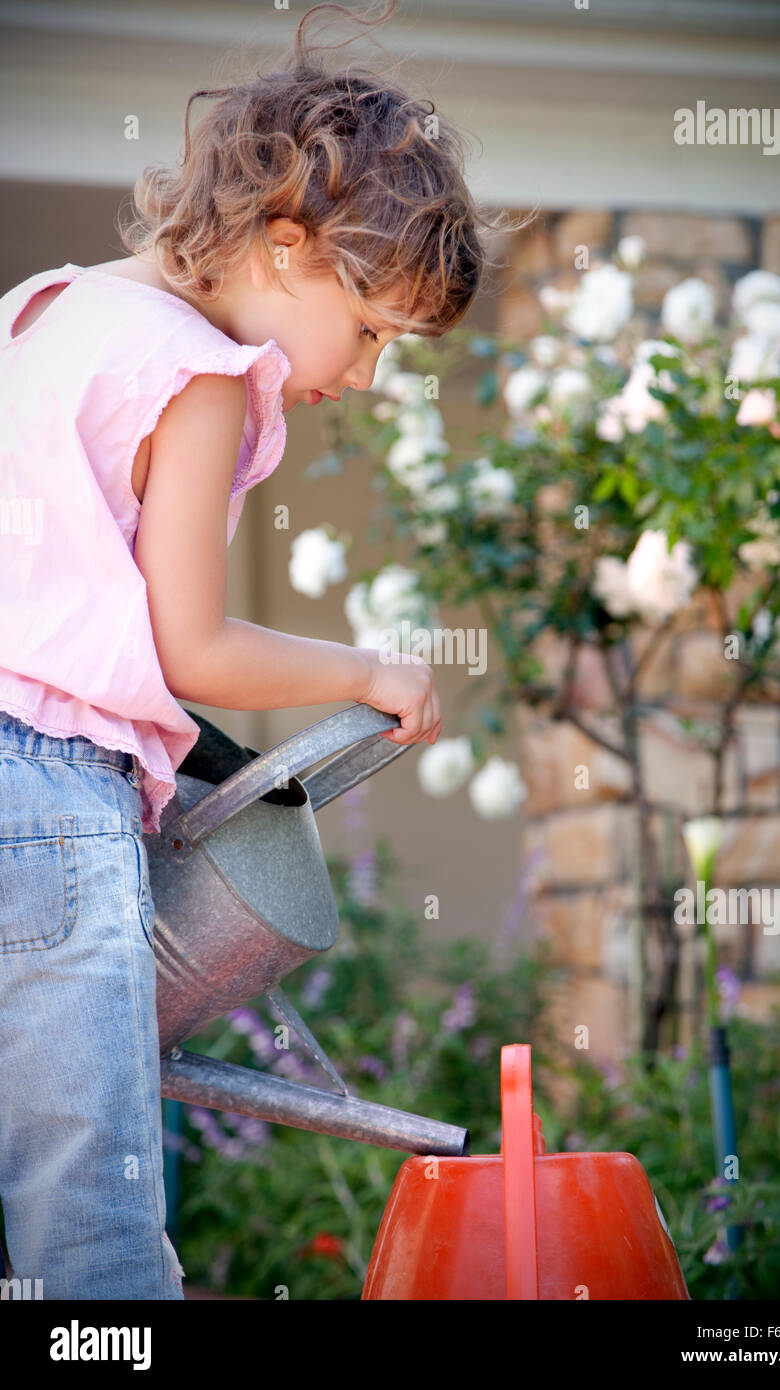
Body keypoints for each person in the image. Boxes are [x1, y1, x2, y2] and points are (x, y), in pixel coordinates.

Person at [0, 0, 503, 1298]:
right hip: (45, 798)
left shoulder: (45, 308)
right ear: (288, 245)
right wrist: (364, 669)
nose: (370, 376)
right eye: (376, 331)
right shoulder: (201, 375)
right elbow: (190, 646)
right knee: (93, 1211)